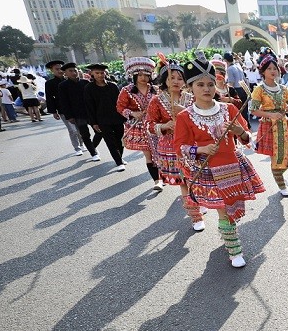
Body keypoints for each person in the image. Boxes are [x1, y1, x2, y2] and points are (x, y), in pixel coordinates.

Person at [174, 55, 265, 267]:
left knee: (231, 208)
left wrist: (239, 130)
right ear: (189, 88)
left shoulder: (229, 109)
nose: (206, 88)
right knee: (223, 209)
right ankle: (235, 251)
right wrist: (201, 149)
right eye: (200, 84)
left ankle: (228, 234)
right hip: (209, 170)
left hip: (233, 166)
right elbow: (180, 148)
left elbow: (248, 139)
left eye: (210, 84)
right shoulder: (185, 117)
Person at [146, 57, 204, 230]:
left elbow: (201, 117)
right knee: (185, 182)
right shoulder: (156, 101)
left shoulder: (191, 98)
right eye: (172, 78)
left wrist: (185, 113)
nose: (176, 82)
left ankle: (199, 202)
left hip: (192, 144)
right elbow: (149, 125)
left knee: (197, 178)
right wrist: (164, 125)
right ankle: (195, 216)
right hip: (171, 147)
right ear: (165, 80)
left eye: (180, 78)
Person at [250, 54, 288, 197]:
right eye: (269, 68)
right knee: (276, 158)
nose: (272, 71)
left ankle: (279, 176)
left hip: (284, 125)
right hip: (269, 126)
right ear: (263, 71)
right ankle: (281, 185)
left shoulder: (283, 89)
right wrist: (270, 115)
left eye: (275, 68)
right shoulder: (259, 89)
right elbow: (253, 110)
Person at [117, 57, 162, 189]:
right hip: (140, 127)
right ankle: (157, 180)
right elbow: (120, 107)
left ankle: (164, 175)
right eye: (140, 75)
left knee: (161, 151)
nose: (143, 77)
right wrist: (132, 113)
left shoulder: (155, 89)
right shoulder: (127, 90)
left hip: (156, 125)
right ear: (134, 75)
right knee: (149, 155)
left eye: (146, 75)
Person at [83, 63, 126, 171]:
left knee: (120, 140)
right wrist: (93, 123)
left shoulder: (112, 86)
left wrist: (125, 116)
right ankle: (119, 162)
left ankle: (119, 157)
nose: (100, 75)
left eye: (102, 73)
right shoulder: (89, 88)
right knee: (110, 141)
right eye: (97, 73)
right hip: (102, 119)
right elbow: (89, 107)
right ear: (92, 73)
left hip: (117, 118)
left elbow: (121, 102)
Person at [58, 63, 102, 162]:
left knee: (99, 132)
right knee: (85, 134)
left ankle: (92, 146)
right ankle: (93, 153)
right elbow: (63, 102)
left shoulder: (85, 82)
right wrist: (69, 116)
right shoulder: (63, 86)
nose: (74, 73)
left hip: (91, 112)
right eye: (71, 71)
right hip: (77, 114)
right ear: (65, 73)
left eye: (75, 70)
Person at [45, 60, 84, 155]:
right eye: (57, 69)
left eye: (61, 68)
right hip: (63, 110)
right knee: (72, 130)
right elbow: (49, 98)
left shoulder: (70, 80)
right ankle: (77, 148)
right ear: (52, 70)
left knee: (81, 129)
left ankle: (83, 144)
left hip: (76, 108)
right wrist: (54, 111)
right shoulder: (49, 83)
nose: (60, 71)